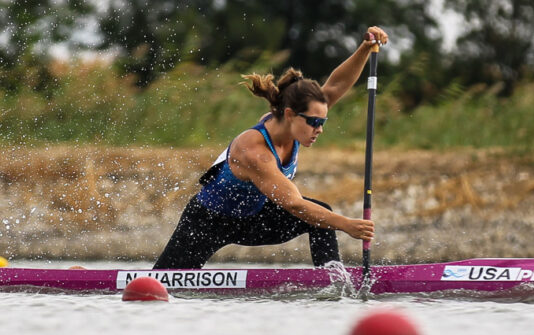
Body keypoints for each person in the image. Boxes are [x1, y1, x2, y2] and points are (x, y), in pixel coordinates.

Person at [152, 26, 388, 269]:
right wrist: (346, 224)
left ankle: (330, 282)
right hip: (208, 222)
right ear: (289, 114)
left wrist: (365, 48)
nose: (320, 129)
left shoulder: (298, 118)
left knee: (321, 215)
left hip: (256, 218)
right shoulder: (253, 150)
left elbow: (336, 84)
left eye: (323, 122)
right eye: (315, 123)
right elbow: (293, 204)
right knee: (162, 283)